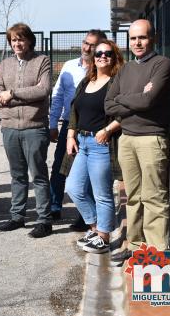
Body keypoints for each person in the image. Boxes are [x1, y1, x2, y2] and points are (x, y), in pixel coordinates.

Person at [105, 19, 170, 265]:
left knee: (154, 198)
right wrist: (136, 97)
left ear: (152, 38)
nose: (137, 43)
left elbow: (149, 101)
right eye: (133, 38)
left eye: (142, 37)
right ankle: (135, 246)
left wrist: (125, 99)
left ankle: (157, 256)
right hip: (127, 139)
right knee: (132, 197)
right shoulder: (125, 69)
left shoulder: (162, 64)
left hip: (151, 139)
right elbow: (108, 104)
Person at [0, 23, 53, 238]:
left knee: (38, 174)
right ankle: (17, 216)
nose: (17, 43)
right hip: (9, 128)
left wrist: (12, 95)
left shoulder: (42, 61)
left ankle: (44, 220)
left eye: (21, 39)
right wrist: (13, 95)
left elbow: (43, 89)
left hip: (34, 127)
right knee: (17, 175)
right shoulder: (5, 64)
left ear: (29, 40)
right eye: (13, 40)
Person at [65, 40, 125, 254]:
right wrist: (70, 135)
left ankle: (104, 237)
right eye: (98, 53)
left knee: (102, 194)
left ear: (114, 57)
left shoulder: (117, 82)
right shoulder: (86, 81)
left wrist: (108, 130)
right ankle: (94, 228)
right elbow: (74, 109)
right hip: (82, 143)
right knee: (73, 188)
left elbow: (125, 112)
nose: (102, 56)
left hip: (102, 145)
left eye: (108, 53)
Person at [49, 30, 107, 229]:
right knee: (59, 167)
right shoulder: (69, 66)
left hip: (92, 127)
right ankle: (54, 205)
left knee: (90, 173)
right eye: (85, 43)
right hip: (68, 125)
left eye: (92, 45)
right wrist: (52, 124)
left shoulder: (105, 70)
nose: (87, 48)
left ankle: (85, 217)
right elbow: (57, 97)